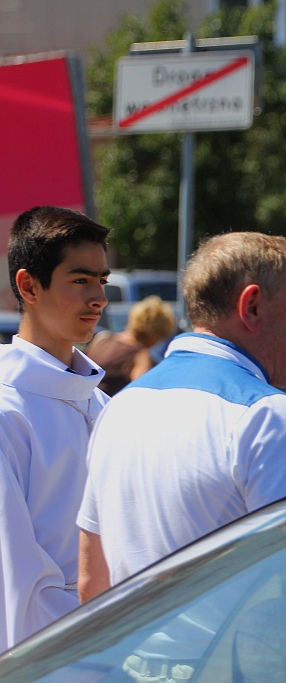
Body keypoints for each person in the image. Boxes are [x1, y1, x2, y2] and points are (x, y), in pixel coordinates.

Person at [77, 232, 286, 600]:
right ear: (252, 306)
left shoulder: (118, 408)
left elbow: (92, 583)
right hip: (228, 658)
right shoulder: (269, 415)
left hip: (123, 656)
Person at [0, 206, 110, 649]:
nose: (99, 297)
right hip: (50, 652)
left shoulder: (102, 403)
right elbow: (16, 574)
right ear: (29, 285)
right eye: (81, 280)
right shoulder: (8, 410)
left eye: (102, 280)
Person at [86, 295, 176, 395]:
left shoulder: (102, 338)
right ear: (157, 333)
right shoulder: (141, 356)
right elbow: (141, 394)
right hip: (109, 408)